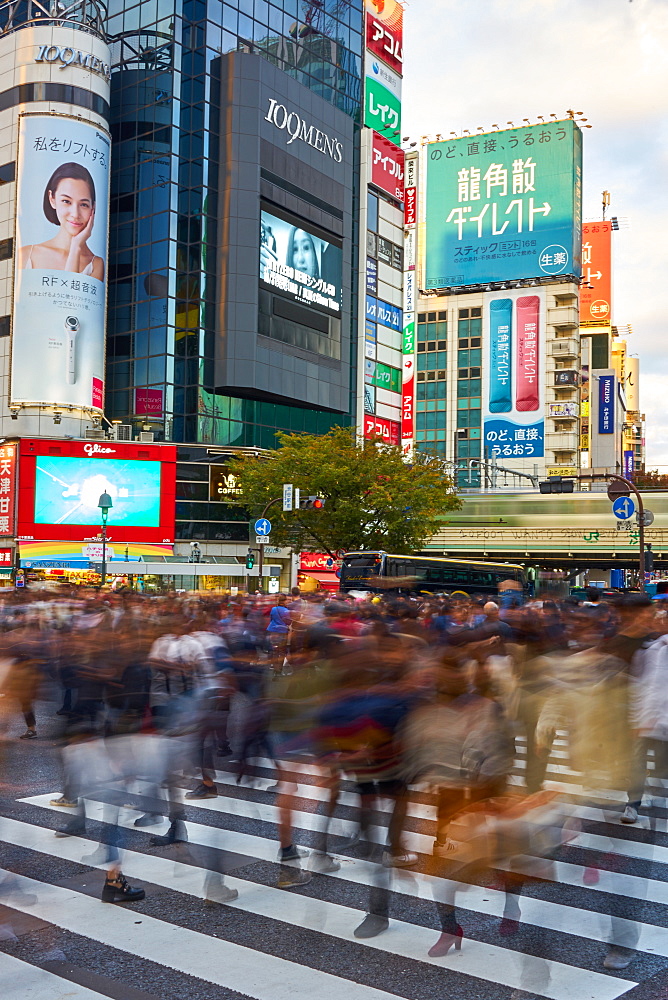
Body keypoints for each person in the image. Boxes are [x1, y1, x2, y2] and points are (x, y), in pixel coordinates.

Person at [19, 162, 104, 279]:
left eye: (83, 204)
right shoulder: (26, 254)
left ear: (92, 208)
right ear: (52, 198)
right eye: (66, 201)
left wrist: (76, 247)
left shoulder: (95, 264)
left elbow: (69, 294)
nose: (75, 214)